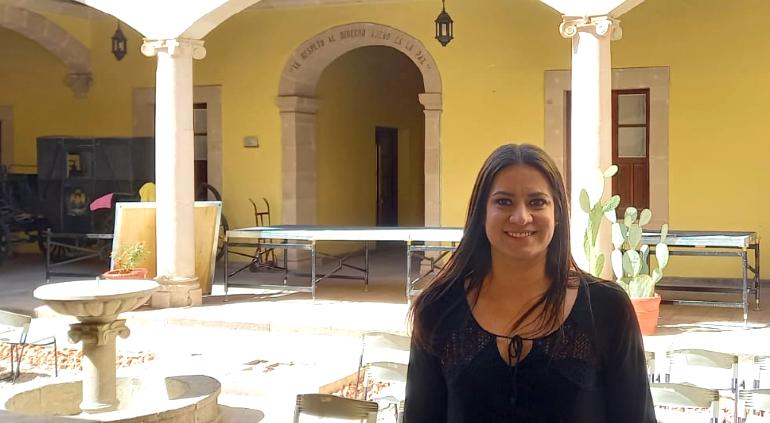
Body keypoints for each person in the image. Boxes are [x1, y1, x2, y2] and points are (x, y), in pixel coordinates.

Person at [404, 144, 655, 422]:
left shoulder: (607, 309)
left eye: (537, 202)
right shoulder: (438, 310)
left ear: (557, 214)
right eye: (503, 201)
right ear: (481, 213)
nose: (521, 217)